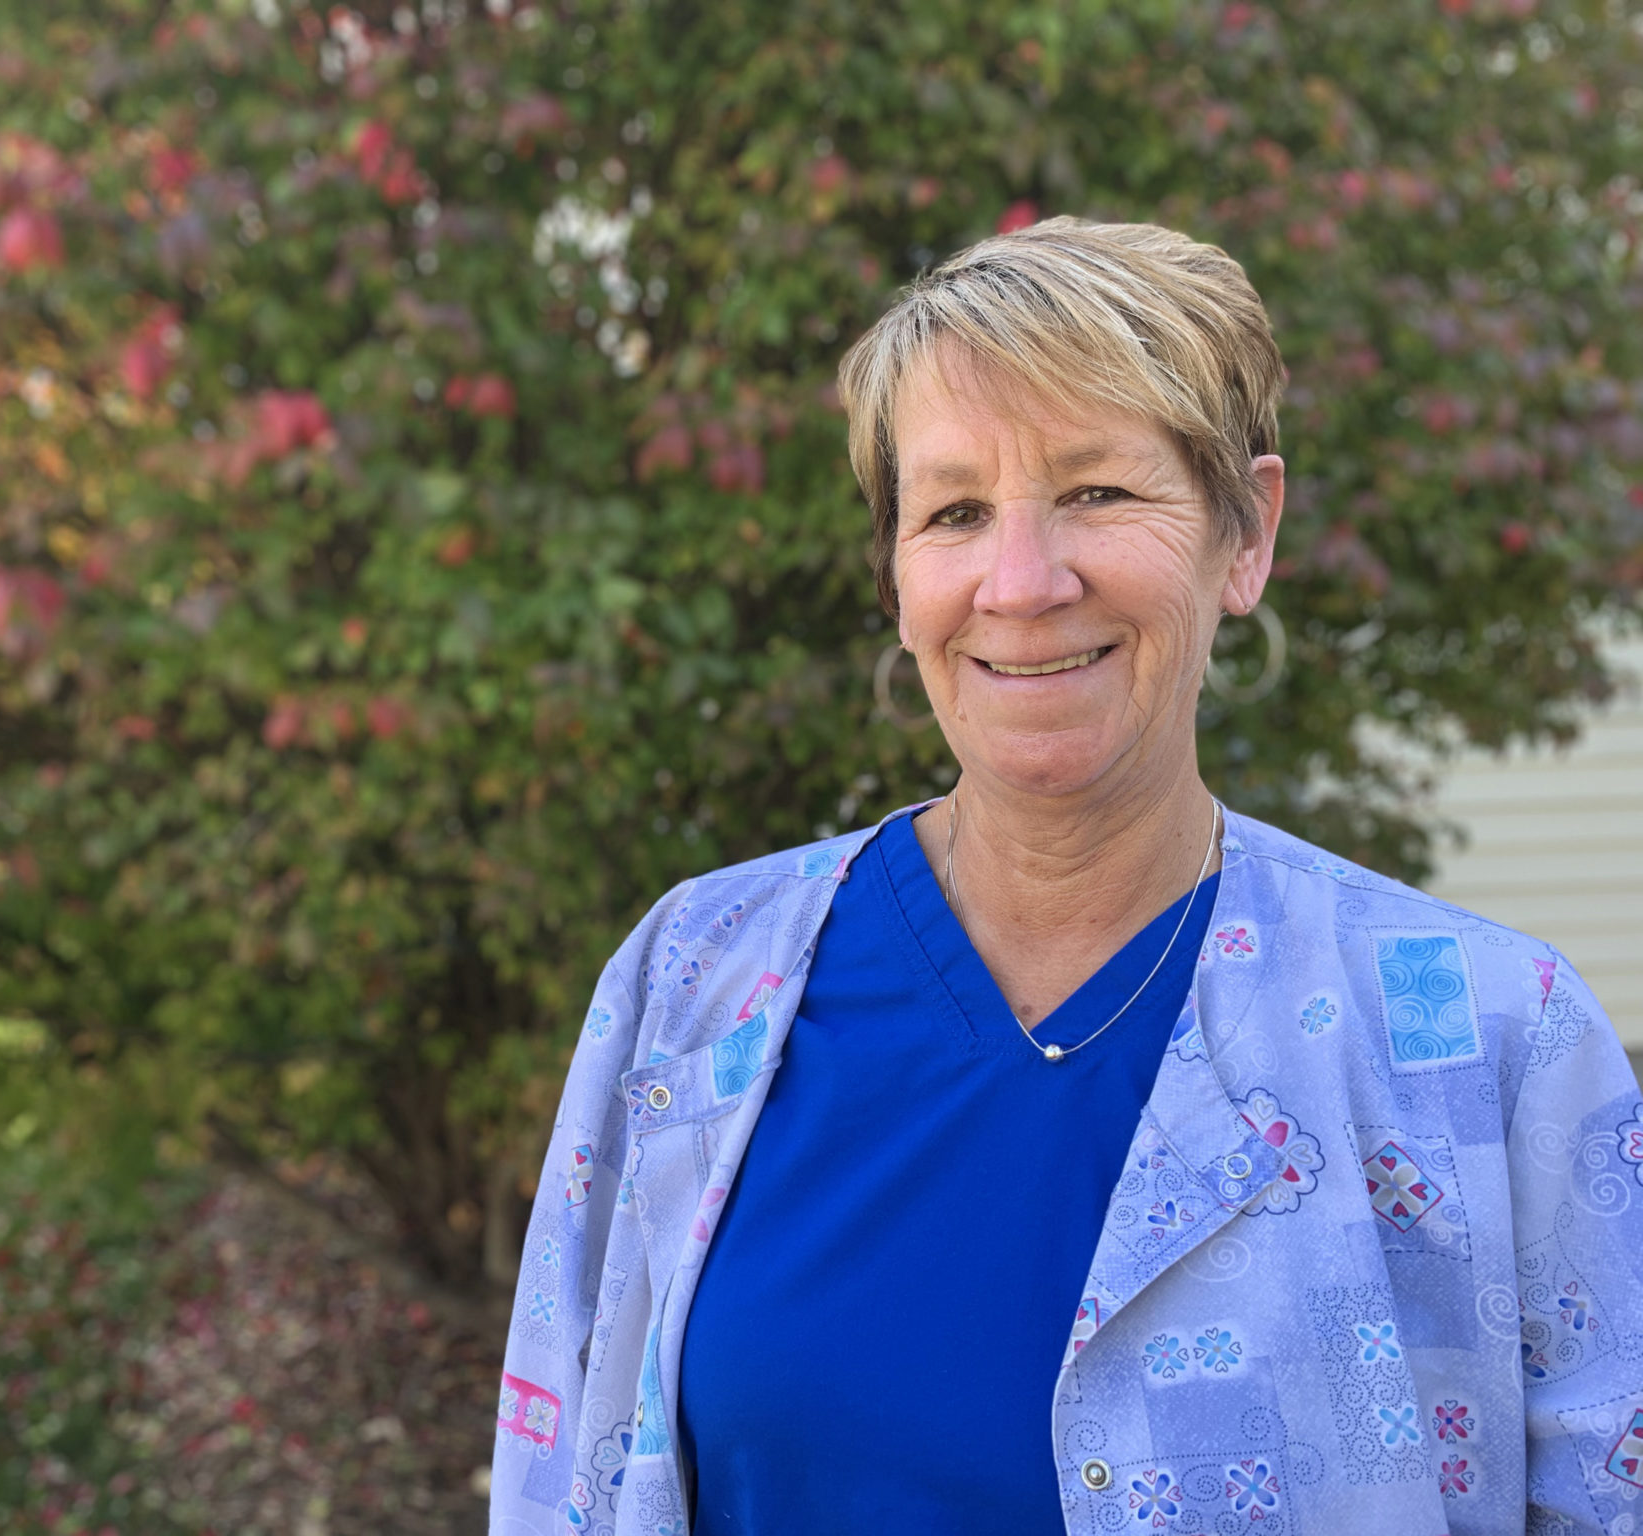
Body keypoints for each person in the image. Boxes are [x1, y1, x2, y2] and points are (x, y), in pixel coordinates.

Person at [489, 218, 1643, 1536]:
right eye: (957, 511)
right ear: (898, 573)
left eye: (1098, 491)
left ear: (1244, 535)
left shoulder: (1487, 1043)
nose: (1023, 583)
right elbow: (558, 1491)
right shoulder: (694, 984)